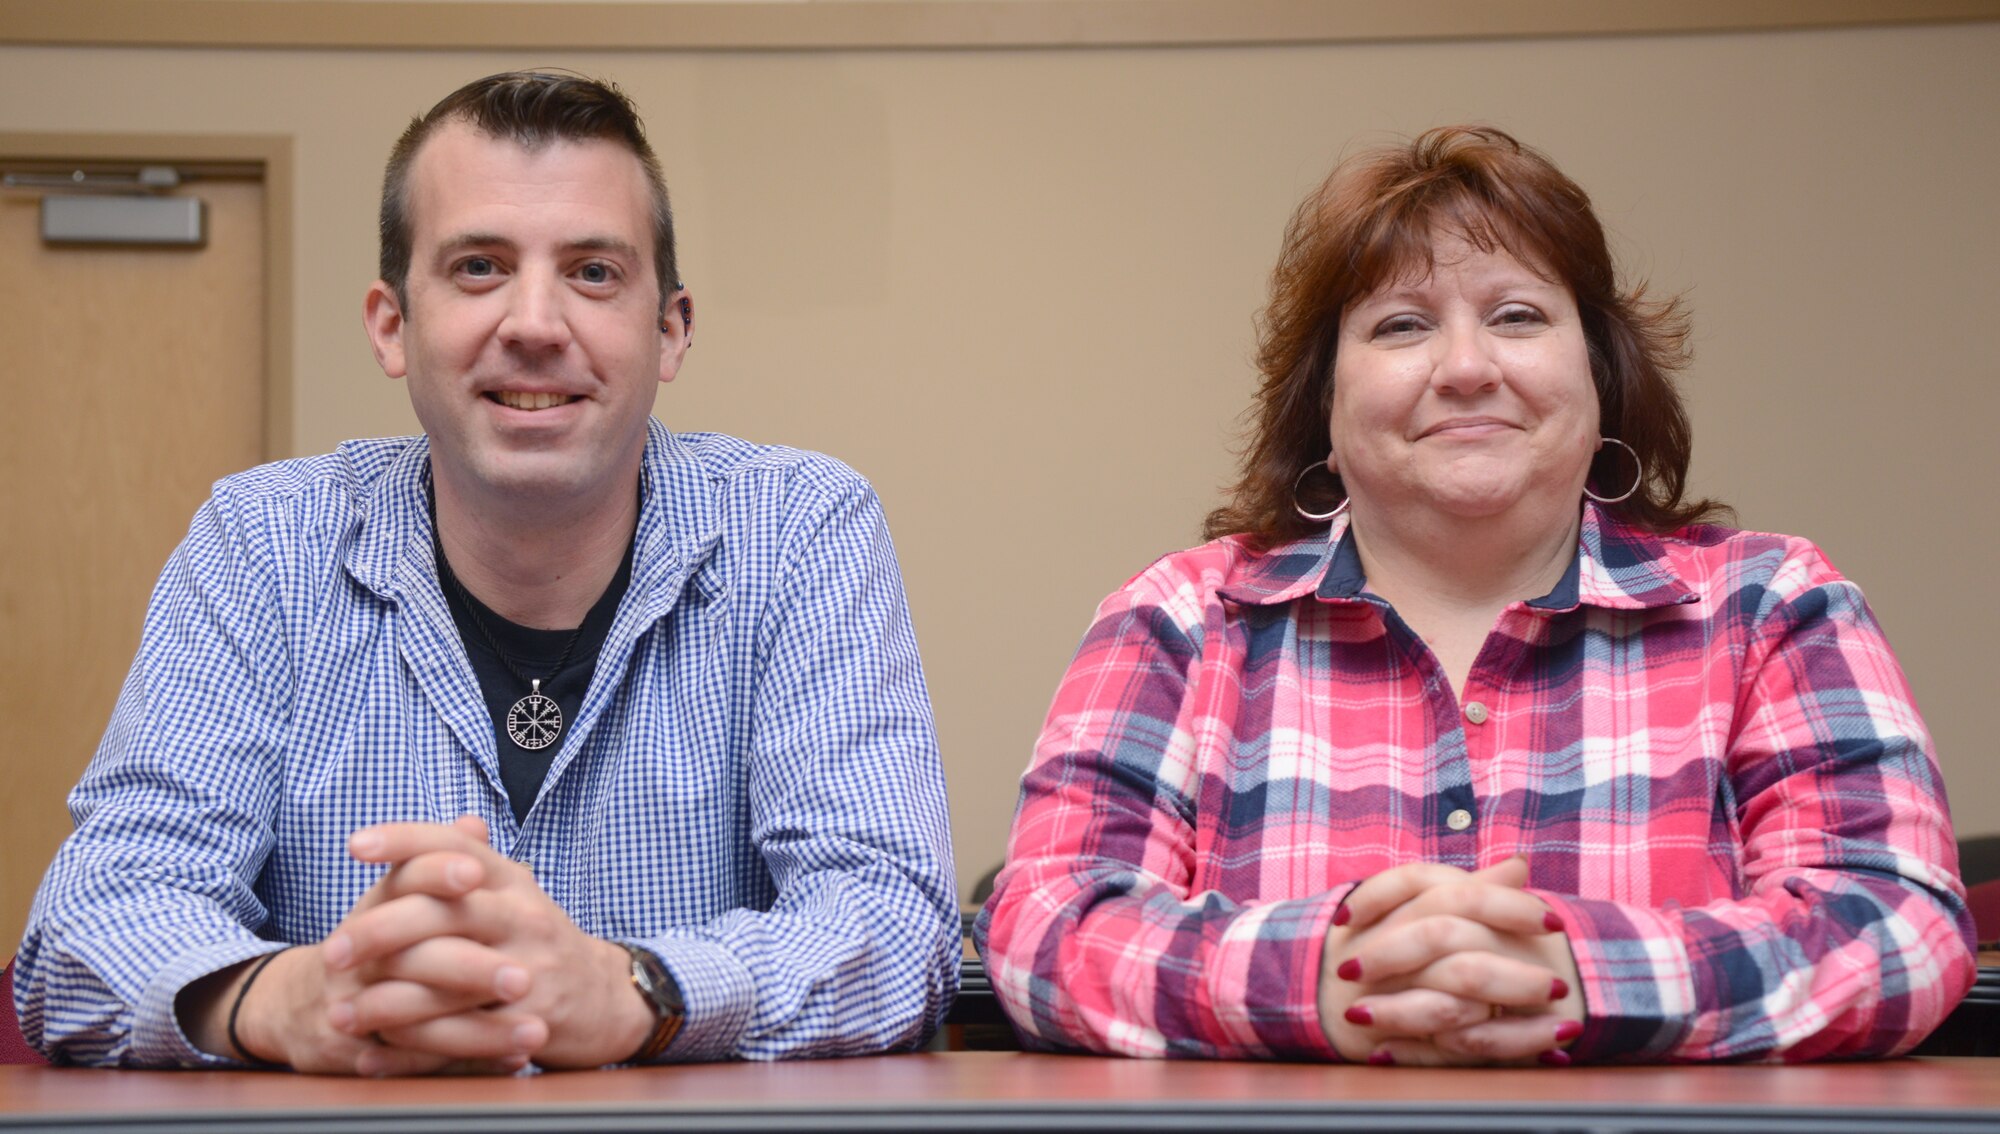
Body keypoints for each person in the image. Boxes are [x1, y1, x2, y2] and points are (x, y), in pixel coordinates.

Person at [17, 71, 958, 1073]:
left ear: (669, 329)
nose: (535, 324)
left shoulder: (801, 531)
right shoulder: (260, 544)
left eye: (594, 272)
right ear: (391, 324)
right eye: (478, 267)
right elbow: (91, 927)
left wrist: (636, 992)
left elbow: (894, 922)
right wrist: (288, 999)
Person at [975, 125, 1973, 1065]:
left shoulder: (1770, 606)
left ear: (1599, 377)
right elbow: (1043, 924)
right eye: (1402, 326)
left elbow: (1897, 922)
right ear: (1322, 403)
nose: (1463, 367)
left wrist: (1585, 977)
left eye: (1516, 316)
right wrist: (1318, 979)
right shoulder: (1181, 620)